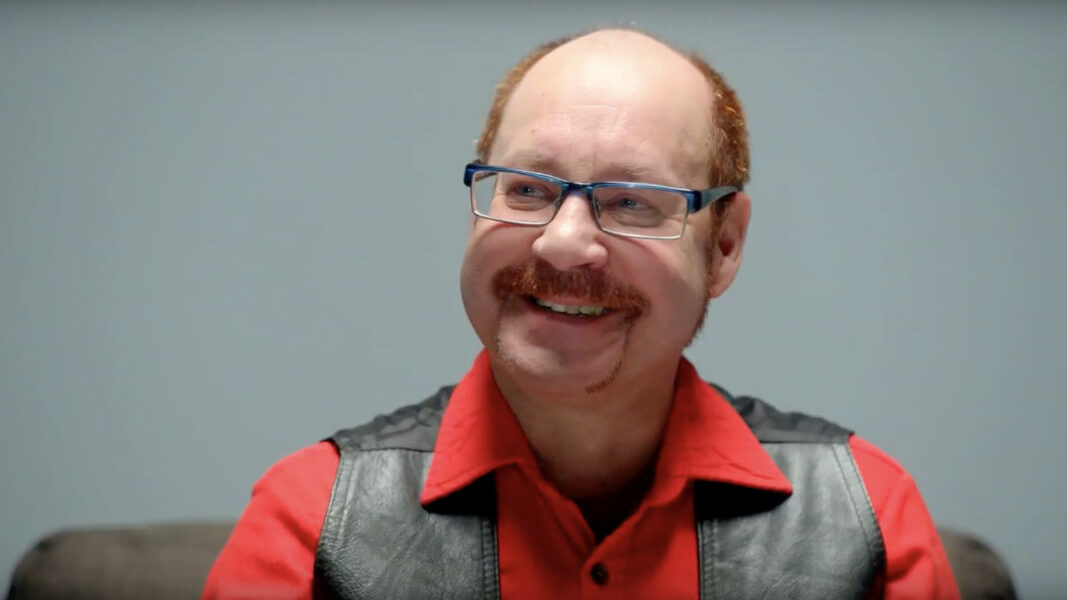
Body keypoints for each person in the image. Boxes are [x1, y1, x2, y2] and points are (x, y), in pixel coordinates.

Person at [202, 28, 960, 599]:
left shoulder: (868, 520)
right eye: (527, 190)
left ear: (724, 246)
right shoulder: (309, 524)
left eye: (631, 202)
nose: (565, 244)